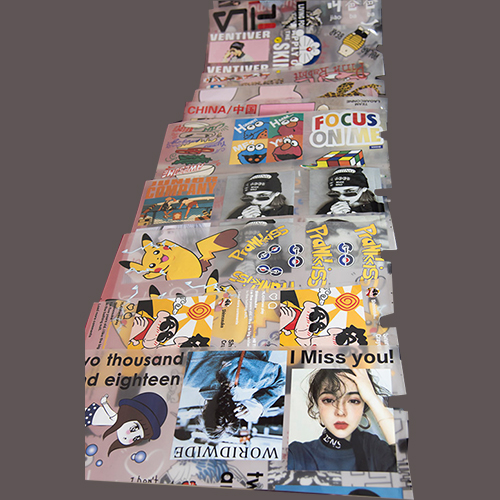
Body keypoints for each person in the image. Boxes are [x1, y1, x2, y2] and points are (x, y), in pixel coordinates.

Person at [288, 369, 396, 472]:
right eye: (329, 400)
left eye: (353, 401)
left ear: (364, 406)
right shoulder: (297, 455)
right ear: (318, 406)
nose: (340, 411)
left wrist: (372, 399)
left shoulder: (374, 449)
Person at [181, 351, 285, 441]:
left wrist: (258, 404)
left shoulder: (248, 378)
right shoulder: (186, 377)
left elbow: (280, 381)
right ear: (204, 411)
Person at [316, 168, 384, 215]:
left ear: (364, 189)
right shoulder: (327, 208)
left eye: (349, 192)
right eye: (336, 193)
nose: (342, 197)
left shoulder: (379, 208)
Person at [227, 172, 294, 219]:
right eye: (249, 197)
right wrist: (242, 220)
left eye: (262, 196)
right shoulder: (240, 212)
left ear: (277, 193)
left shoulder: (289, 211)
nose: (254, 201)